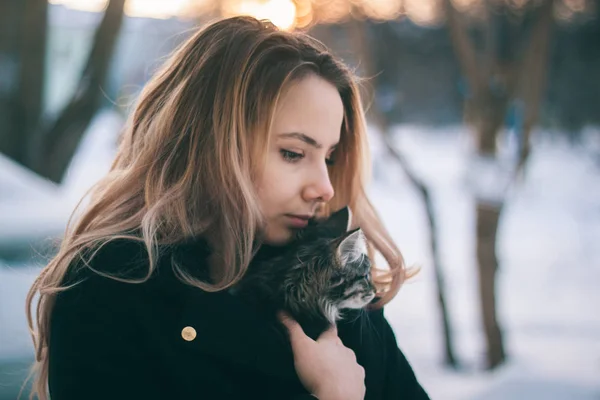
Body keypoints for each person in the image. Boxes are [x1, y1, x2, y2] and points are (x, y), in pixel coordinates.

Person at [26, 16, 430, 400]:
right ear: (211, 145)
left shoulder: (334, 280)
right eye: (293, 153)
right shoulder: (112, 290)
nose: (324, 188)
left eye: (329, 157)